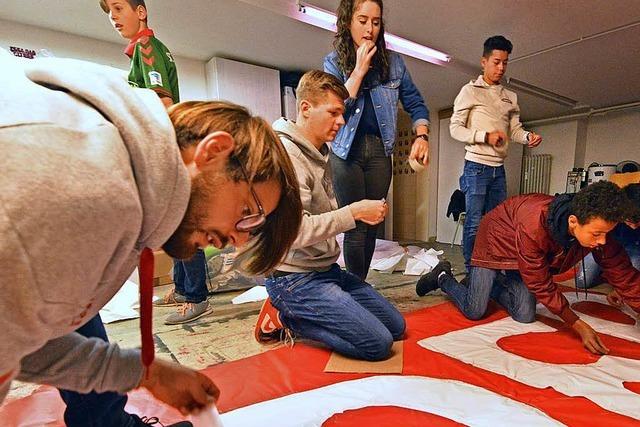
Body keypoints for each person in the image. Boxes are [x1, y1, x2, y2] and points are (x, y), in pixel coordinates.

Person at [0, 50, 302, 426]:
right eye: (246, 213)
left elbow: (26, 340)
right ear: (213, 151)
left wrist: (149, 374)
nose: (236, 241)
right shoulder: (89, 195)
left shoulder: (120, 162)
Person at [254, 70, 405, 361]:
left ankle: (313, 310)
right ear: (306, 108)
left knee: (396, 327)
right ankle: (288, 318)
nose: (342, 121)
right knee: (378, 344)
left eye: (343, 112)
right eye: (334, 112)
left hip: (326, 271)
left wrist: (358, 212)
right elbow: (294, 232)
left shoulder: (320, 153)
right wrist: (354, 212)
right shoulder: (287, 157)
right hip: (294, 280)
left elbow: (321, 215)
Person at [416, 181, 640, 355]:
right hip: (496, 239)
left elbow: (622, 272)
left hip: (523, 250)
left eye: (606, 234)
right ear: (573, 222)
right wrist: (577, 324)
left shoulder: (595, 225)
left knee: (525, 314)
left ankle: (483, 284)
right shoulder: (535, 224)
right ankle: (442, 277)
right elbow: (539, 279)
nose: (602, 241)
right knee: (475, 310)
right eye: (596, 234)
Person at [100, 0, 210, 326]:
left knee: (181, 224)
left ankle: (197, 297)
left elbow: (163, 105)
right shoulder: (142, 50)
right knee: (170, 224)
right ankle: (182, 287)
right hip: (164, 146)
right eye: (109, 12)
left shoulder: (147, 49)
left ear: (141, 11)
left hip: (166, 147)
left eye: (118, 8)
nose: (113, 17)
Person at [324, 0, 430, 280]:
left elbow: (416, 103)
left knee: (373, 224)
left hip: (381, 152)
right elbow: (335, 108)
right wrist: (358, 70)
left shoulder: (394, 63)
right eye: (362, 20)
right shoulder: (334, 62)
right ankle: (356, 289)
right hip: (347, 152)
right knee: (357, 224)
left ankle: (358, 287)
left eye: (376, 21)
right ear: (348, 22)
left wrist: (422, 135)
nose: (369, 28)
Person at [450, 35, 543, 277]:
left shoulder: (510, 97)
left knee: (497, 224)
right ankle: (472, 273)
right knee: (474, 223)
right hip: (476, 167)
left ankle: (491, 269)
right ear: (484, 61)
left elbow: (515, 130)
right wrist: (484, 136)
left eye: (505, 63)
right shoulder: (470, 91)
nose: (501, 67)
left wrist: (527, 138)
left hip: (498, 170)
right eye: (496, 62)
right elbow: (455, 128)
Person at [576, 184, 640, 288]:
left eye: (638, 222)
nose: (634, 226)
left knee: (632, 283)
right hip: (605, 247)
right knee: (582, 282)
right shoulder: (611, 212)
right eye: (629, 220)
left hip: (634, 249)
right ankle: (607, 273)